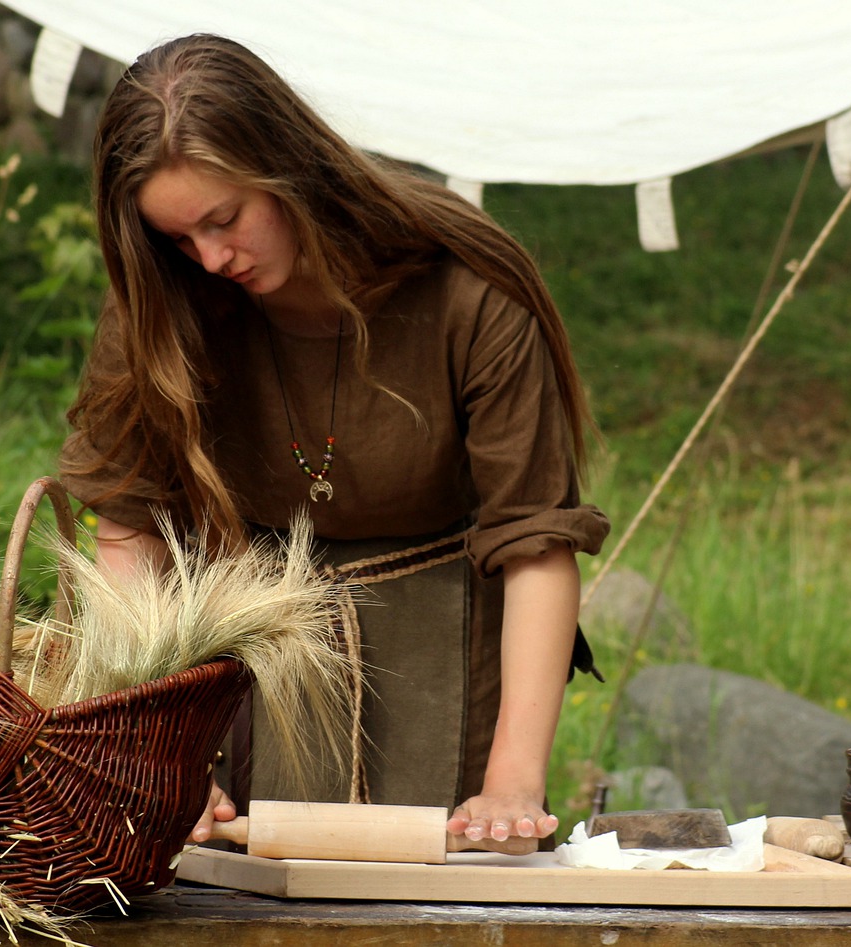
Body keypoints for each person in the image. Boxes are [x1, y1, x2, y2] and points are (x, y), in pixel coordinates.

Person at [59, 33, 610, 850]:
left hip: (446, 663)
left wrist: (511, 782)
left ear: (287, 168)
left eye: (224, 219)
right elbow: (128, 530)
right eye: (179, 239)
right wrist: (161, 749)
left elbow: (534, 542)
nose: (210, 258)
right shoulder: (162, 310)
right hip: (242, 670)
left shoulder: (468, 290)